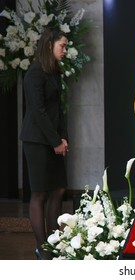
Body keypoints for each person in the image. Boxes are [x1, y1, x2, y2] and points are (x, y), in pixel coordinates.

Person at [19, 27, 69, 260]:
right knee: (39, 193)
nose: (65, 50)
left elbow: (57, 109)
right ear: (49, 45)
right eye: (62, 46)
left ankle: (54, 242)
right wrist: (54, 141)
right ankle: (42, 248)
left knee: (58, 189)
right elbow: (38, 113)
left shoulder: (53, 71)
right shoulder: (34, 73)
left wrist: (63, 138)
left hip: (52, 140)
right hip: (37, 141)